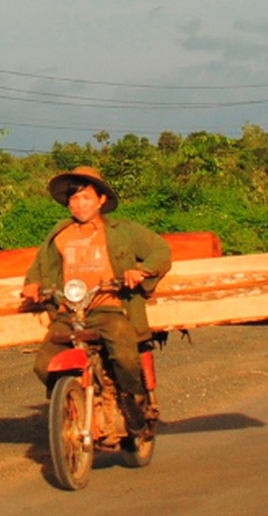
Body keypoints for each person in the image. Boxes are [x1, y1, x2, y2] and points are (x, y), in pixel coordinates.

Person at [21, 166, 171, 433]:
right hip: (69, 314)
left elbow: (160, 251)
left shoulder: (123, 231)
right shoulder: (59, 233)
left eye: (86, 198)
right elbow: (40, 265)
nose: (79, 205)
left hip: (110, 310)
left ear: (101, 199)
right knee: (43, 365)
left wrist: (141, 271)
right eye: (74, 199)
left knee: (124, 351)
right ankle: (69, 406)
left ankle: (128, 397)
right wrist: (32, 285)